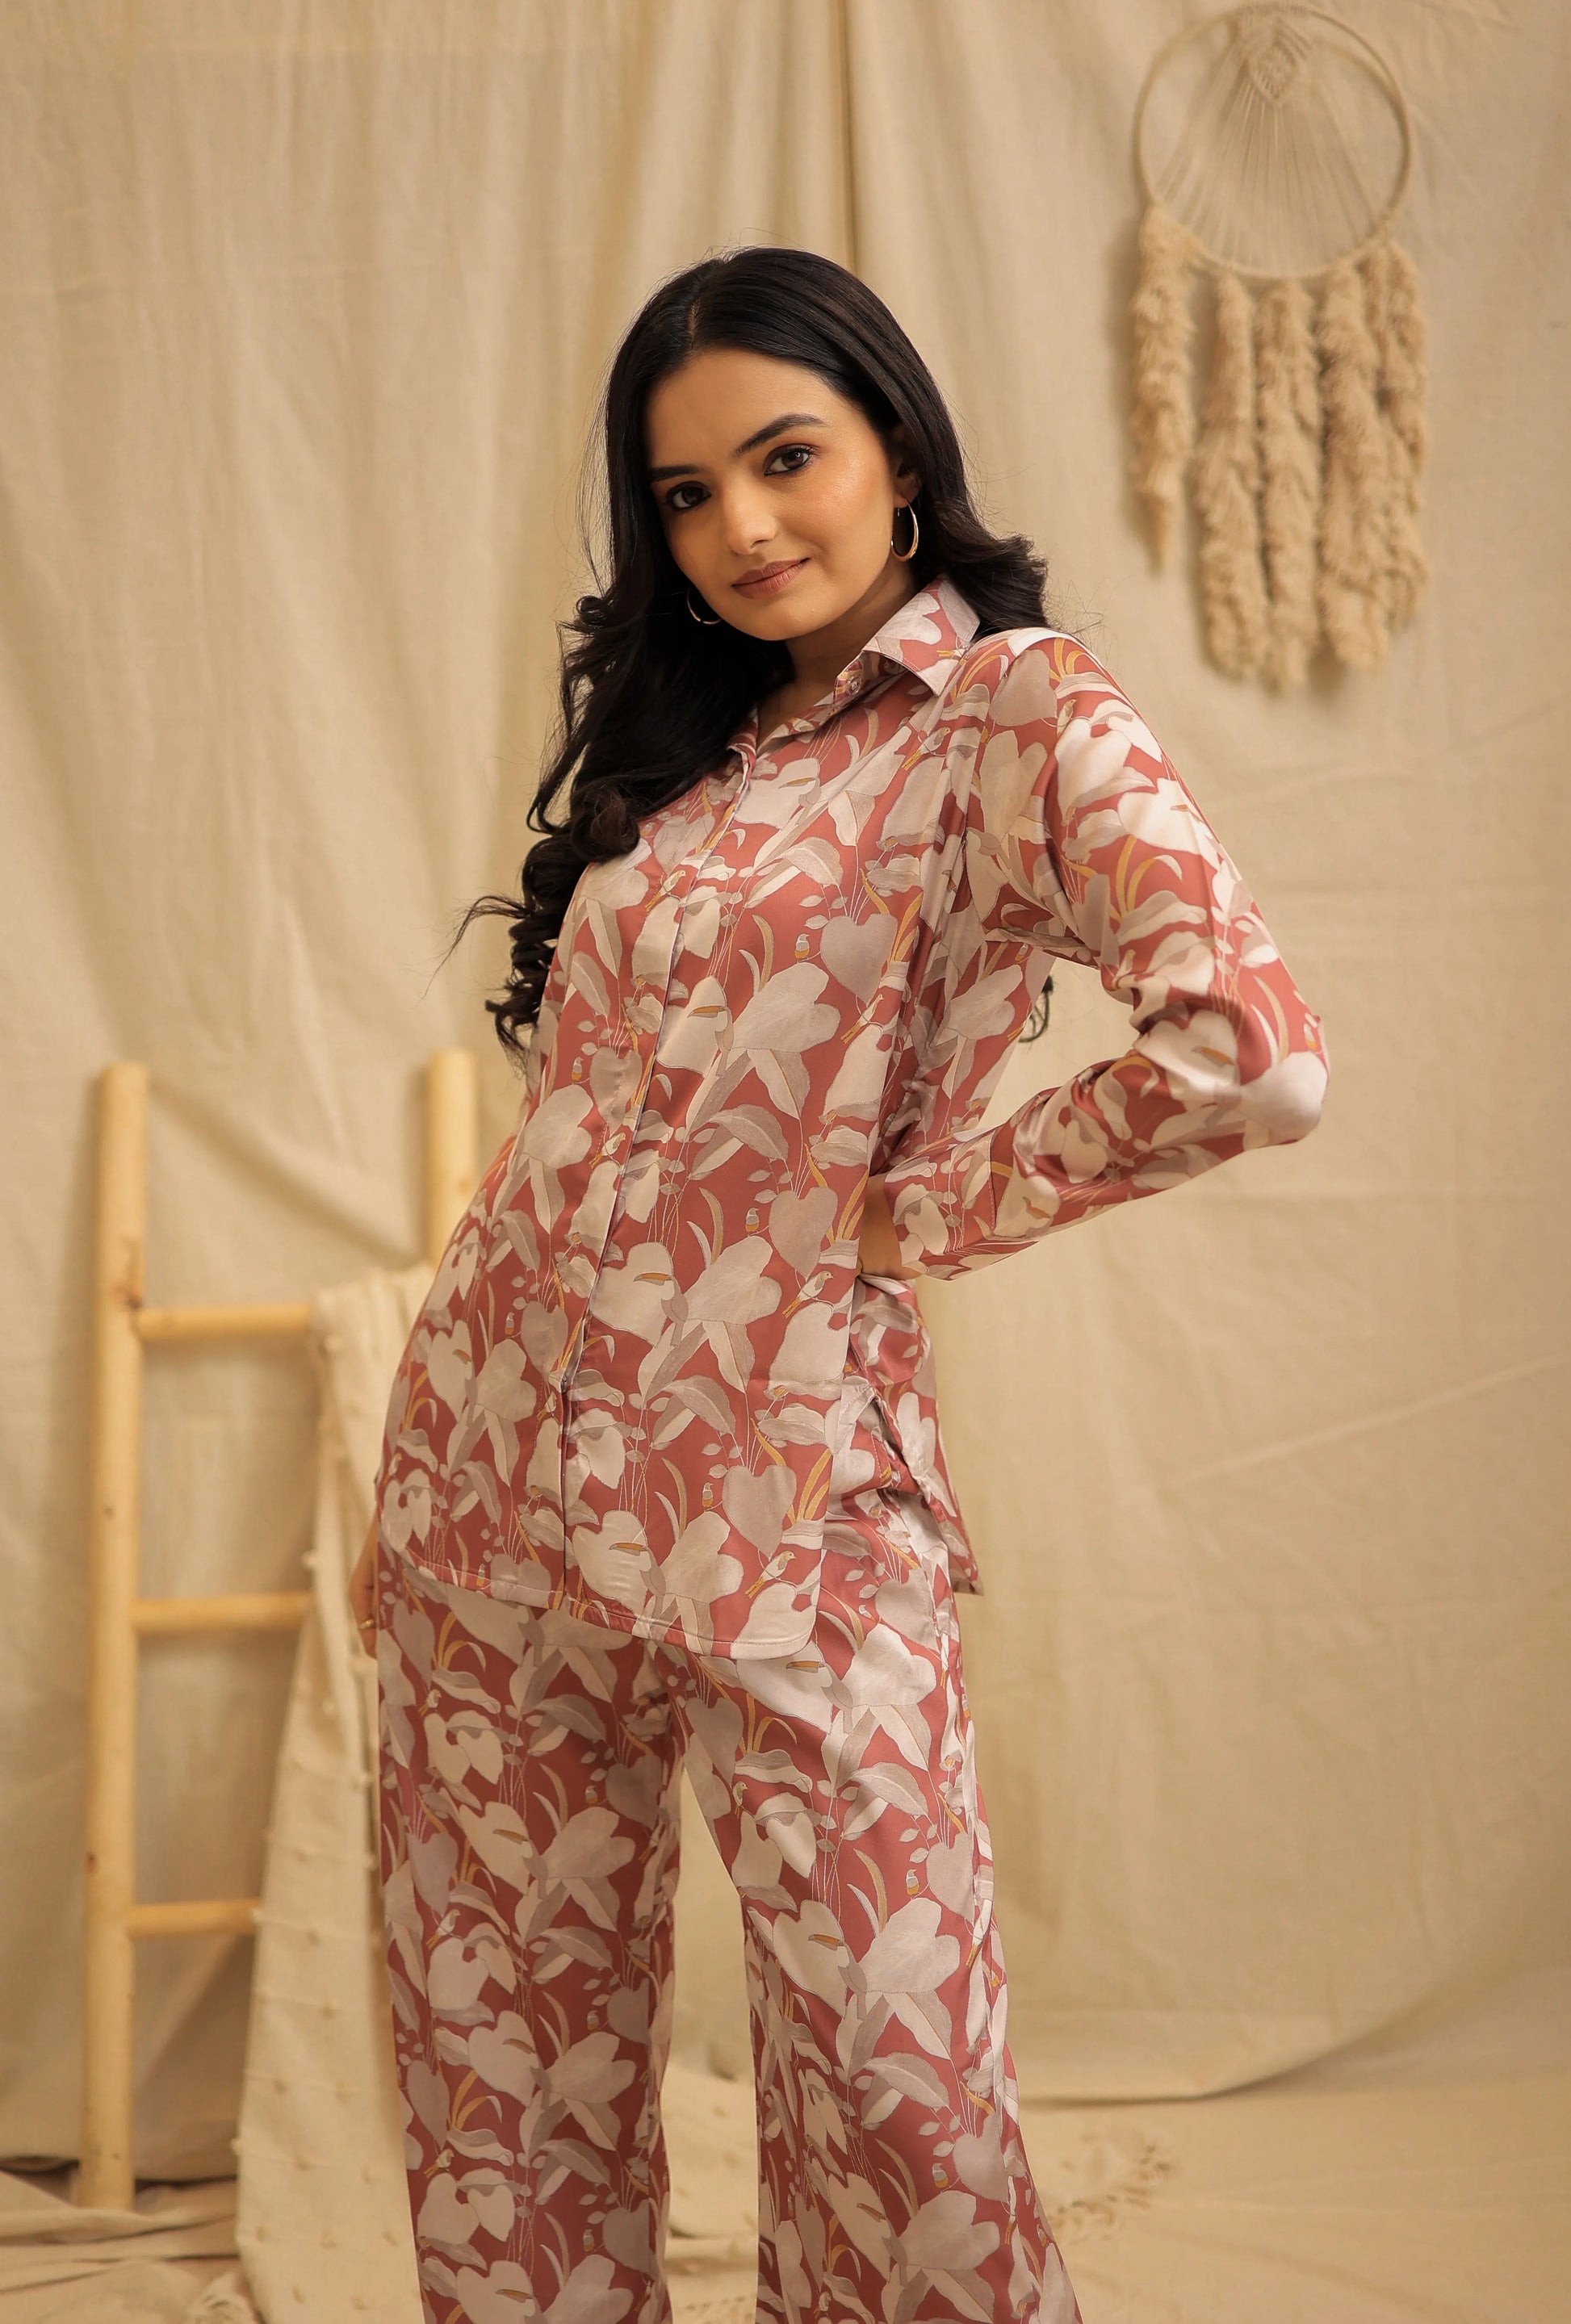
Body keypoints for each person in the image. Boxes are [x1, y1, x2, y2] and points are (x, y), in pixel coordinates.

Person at [349, 245, 1328, 2324]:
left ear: (894, 438)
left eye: (784, 457)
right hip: (488, 1482)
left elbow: (1251, 1051)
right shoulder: (694, 740)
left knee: (906, 2113)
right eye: (685, 493)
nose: (741, 526)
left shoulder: (1016, 714)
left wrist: (919, 1215)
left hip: (792, 1503)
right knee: (502, 2113)